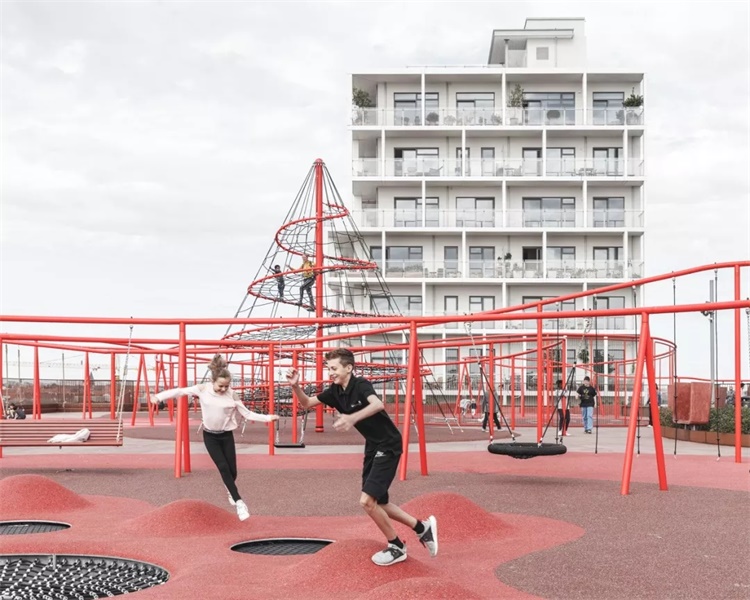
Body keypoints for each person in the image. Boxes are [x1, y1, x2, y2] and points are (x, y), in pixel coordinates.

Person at [286, 348, 438, 567]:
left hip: (388, 444)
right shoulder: (335, 391)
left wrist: (352, 418)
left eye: (334, 368)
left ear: (348, 368)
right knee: (379, 503)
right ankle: (422, 528)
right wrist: (295, 386)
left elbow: (377, 404)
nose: (331, 372)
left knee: (366, 502)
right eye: (329, 368)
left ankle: (397, 546)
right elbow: (307, 403)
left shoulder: (361, 385)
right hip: (373, 445)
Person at [151, 354, 278, 521]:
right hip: (210, 436)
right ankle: (239, 502)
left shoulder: (232, 395)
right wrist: (159, 396)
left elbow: (247, 414)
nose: (223, 389)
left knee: (232, 471)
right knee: (223, 467)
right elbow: (180, 391)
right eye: (220, 386)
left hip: (226, 436)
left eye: (226, 386)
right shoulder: (203, 389)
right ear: (213, 382)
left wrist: (268, 418)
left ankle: (230, 490)